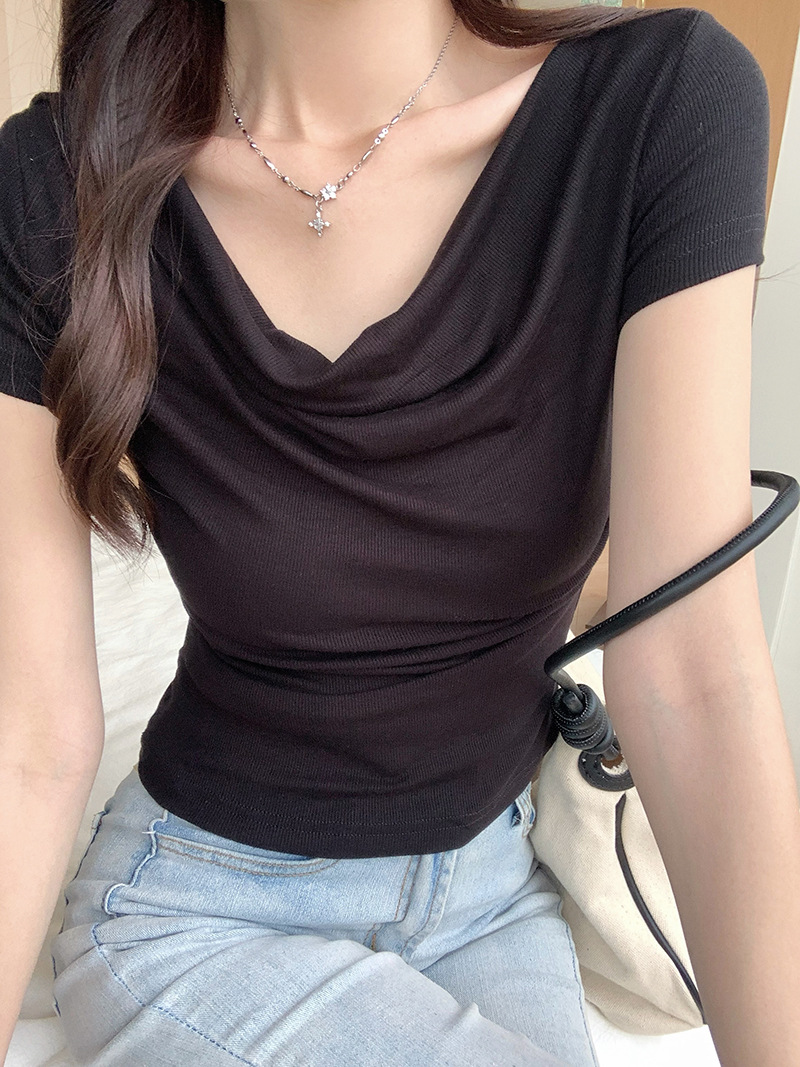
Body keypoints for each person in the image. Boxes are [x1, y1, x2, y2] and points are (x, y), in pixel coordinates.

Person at [2, 0, 799, 1063]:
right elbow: (29, 732)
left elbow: (694, 675)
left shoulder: (658, 103)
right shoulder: (54, 180)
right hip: (196, 907)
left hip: (492, 887)